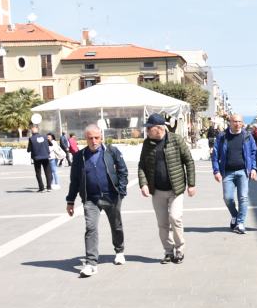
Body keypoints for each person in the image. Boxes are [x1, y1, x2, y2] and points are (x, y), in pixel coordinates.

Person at [65, 124, 128, 277]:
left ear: (101, 137)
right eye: (90, 138)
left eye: (96, 138)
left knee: (116, 225)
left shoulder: (111, 151)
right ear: (85, 138)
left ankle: (119, 251)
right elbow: (74, 180)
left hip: (111, 196)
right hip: (90, 199)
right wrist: (70, 201)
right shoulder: (79, 157)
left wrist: (121, 191)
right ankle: (91, 263)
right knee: (90, 228)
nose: (94, 141)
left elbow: (122, 170)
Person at [138, 113, 196, 264]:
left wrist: (191, 184)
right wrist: (143, 184)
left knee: (175, 218)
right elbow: (142, 166)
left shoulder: (176, 140)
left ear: (158, 128)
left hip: (175, 189)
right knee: (162, 223)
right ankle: (168, 252)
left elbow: (189, 161)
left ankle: (180, 249)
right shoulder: (147, 143)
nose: (147, 131)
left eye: (149, 128)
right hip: (157, 190)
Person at [212, 114, 257, 234]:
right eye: (235, 121)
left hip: (243, 171)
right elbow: (215, 154)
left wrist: (253, 168)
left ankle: (240, 223)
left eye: (239, 121)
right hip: (227, 172)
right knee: (228, 198)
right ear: (230, 122)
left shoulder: (247, 136)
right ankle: (235, 215)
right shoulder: (222, 137)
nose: (237, 124)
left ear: (242, 123)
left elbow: (254, 153)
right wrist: (216, 171)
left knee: (243, 197)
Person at [27, 125, 52, 192]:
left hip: (37, 158)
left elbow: (28, 150)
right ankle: (49, 187)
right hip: (45, 156)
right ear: (38, 130)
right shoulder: (44, 137)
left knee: (38, 173)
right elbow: (51, 144)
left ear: (32, 131)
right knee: (48, 172)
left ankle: (41, 188)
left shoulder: (31, 139)